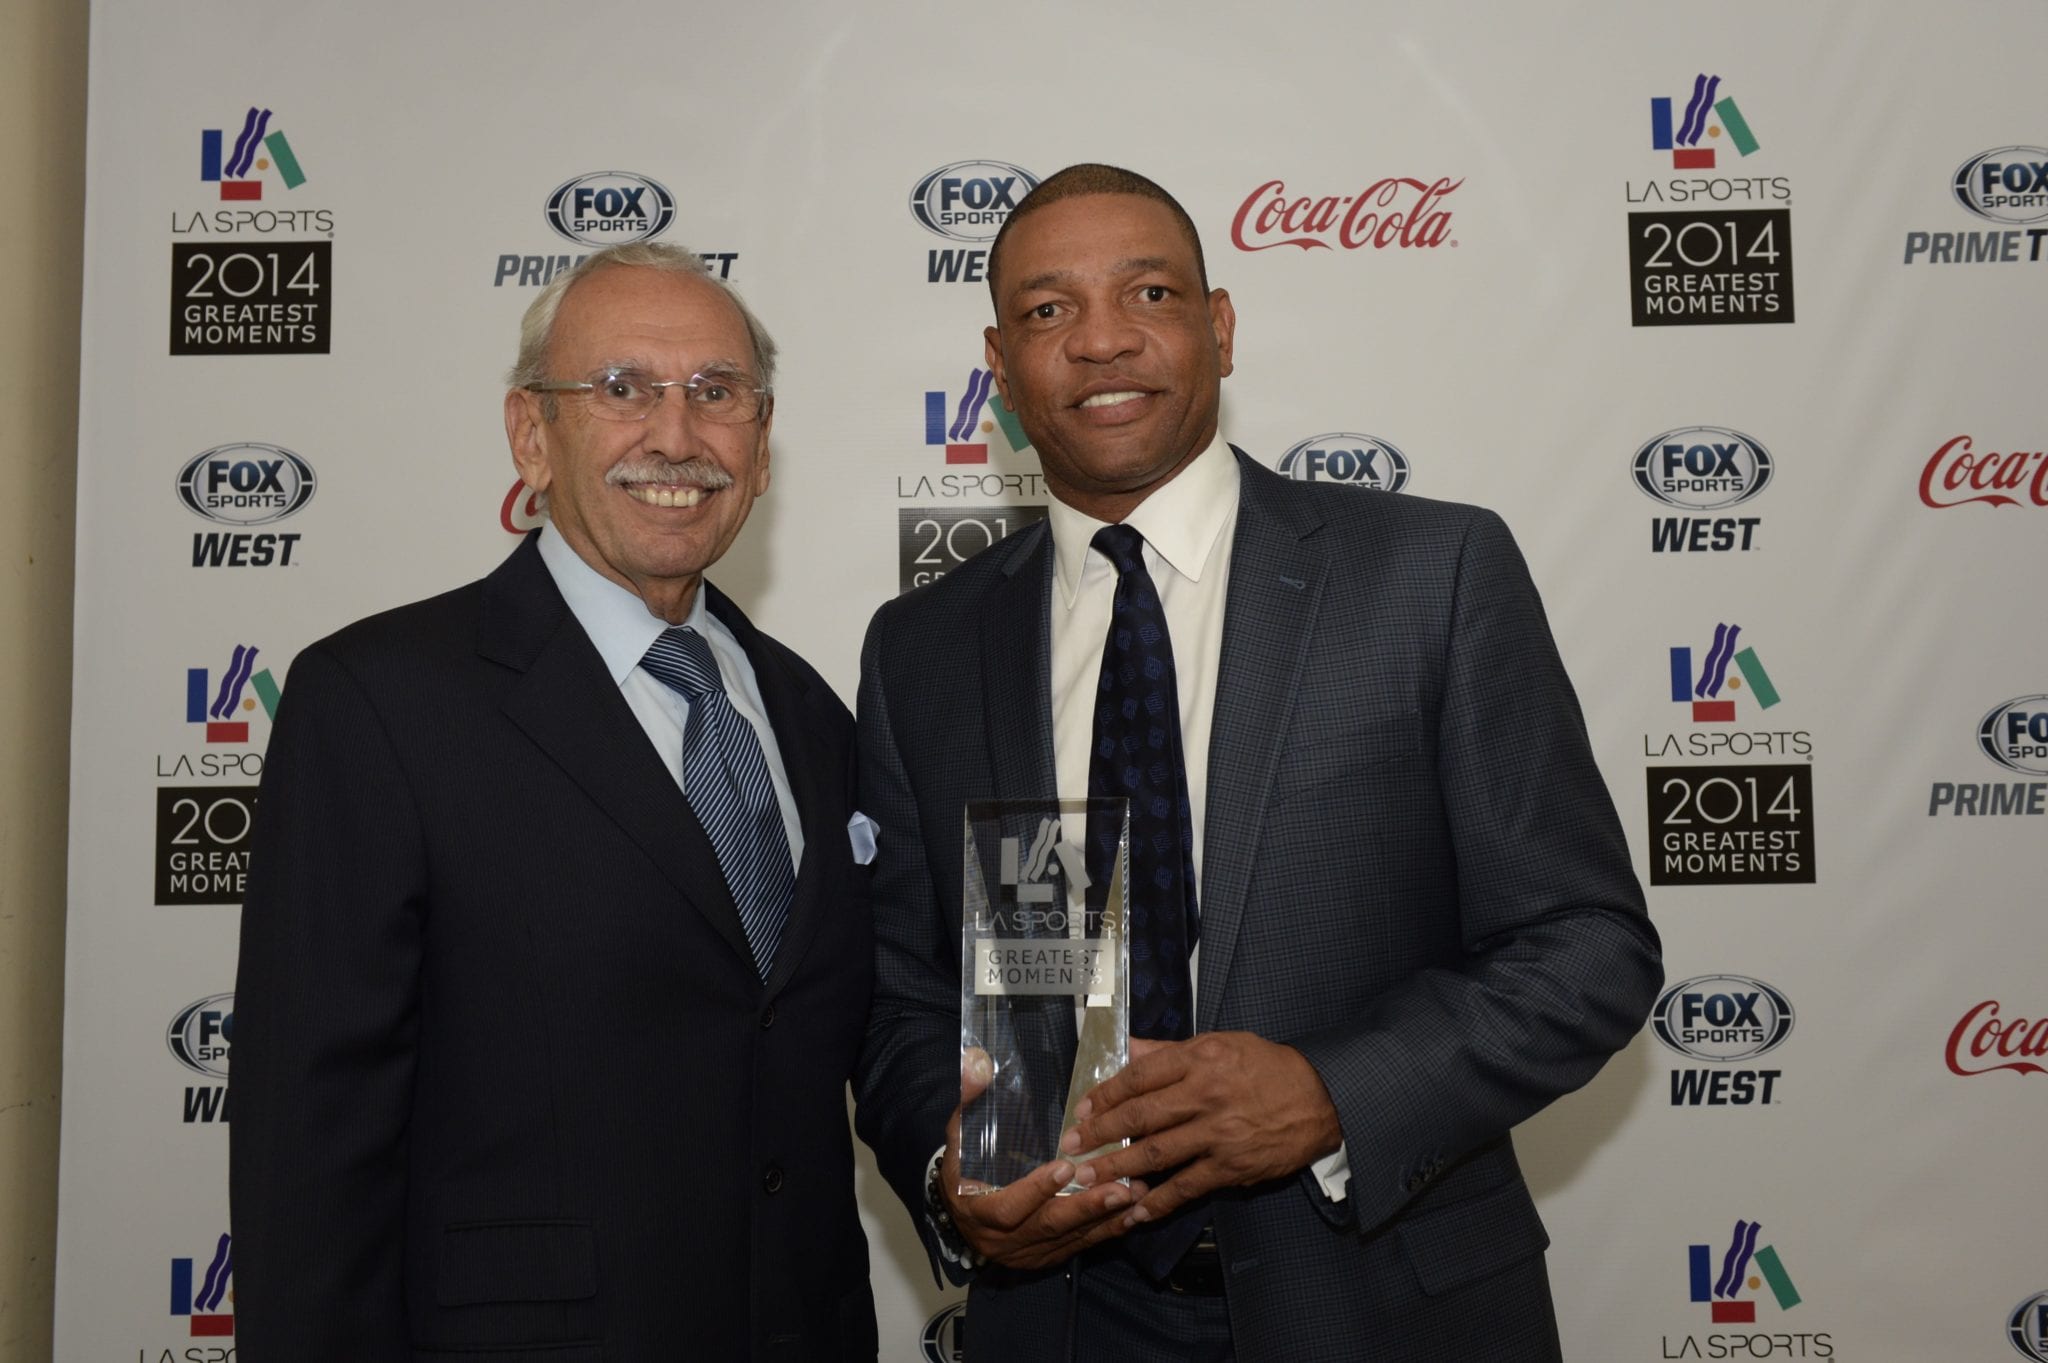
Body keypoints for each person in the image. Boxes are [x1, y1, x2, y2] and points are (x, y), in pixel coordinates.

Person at [853, 165, 1662, 1362]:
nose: (1101, 340)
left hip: (1382, 1306)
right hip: (1066, 1318)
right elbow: (901, 996)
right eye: (1047, 309)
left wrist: (1331, 1093)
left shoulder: (1427, 574)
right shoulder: (923, 645)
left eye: (1148, 293)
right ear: (1000, 368)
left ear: (1219, 327)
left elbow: (1586, 945)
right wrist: (952, 1169)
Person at [231, 242, 877, 1361]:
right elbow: (310, 1155)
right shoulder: (377, 704)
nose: (675, 435)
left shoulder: (810, 714)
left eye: (716, 392)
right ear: (532, 434)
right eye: (622, 388)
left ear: (762, 443)